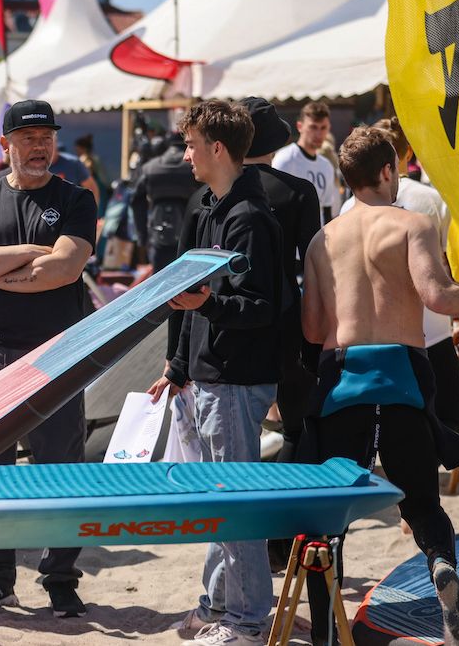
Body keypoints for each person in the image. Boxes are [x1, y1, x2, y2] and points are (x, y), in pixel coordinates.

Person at [300, 125, 459, 645]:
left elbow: (312, 330)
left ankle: (327, 637)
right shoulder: (412, 224)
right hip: (400, 374)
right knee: (422, 503)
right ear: (388, 171)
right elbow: (438, 296)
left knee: (326, 522)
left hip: (341, 380)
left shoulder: (322, 239)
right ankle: (440, 563)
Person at [0, 99, 97, 618]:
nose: (40, 146)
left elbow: (64, 270)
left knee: (61, 469)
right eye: (28, 137)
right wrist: (33, 252)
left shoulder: (76, 198)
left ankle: (60, 579)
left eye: (46, 137)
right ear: (4, 144)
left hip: (57, 349)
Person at [146, 100, 283, 646]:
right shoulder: (209, 208)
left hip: (237, 378)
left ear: (218, 149)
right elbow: (189, 299)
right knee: (219, 498)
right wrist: (178, 366)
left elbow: (262, 307)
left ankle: (246, 621)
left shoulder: (250, 218)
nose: (185, 156)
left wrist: (208, 304)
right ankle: (219, 604)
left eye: (191, 145)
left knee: (234, 501)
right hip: (210, 374)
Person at [339, 118, 459, 433]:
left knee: (387, 435)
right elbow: (449, 264)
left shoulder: (346, 209)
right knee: (441, 433)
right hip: (430, 332)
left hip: (370, 340)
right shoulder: (430, 199)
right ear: (404, 154)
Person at [240, 97, 320, 458]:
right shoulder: (299, 191)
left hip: (231, 317)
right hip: (285, 311)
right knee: (295, 426)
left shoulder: (213, 194)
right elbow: (314, 265)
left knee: (237, 427)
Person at [131, 132, 198, 271]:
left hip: (158, 234)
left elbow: (137, 201)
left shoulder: (150, 167)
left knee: (159, 278)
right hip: (190, 235)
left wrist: (142, 236)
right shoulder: (194, 167)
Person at [272, 101, 342, 224]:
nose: (319, 134)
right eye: (313, 127)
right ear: (300, 126)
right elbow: (275, 204)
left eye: (323, 128)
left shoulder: (326, 166)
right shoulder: (285, 158)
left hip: (318, 233)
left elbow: (327, 210)